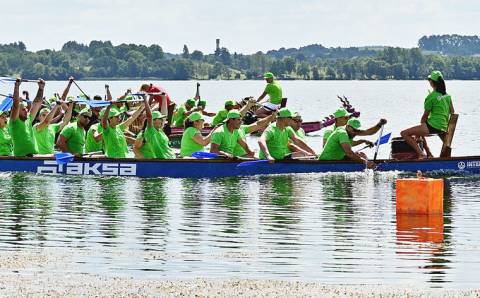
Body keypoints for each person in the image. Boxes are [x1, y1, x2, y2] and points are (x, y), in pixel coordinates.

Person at [400, 70, 454, 159]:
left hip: (433, 126)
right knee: (420, 131)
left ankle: (421, 153)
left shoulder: (431, 97)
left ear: (432, 83)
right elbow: (452, 112)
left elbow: (424, 116)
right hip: (444, 127)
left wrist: (422, 126)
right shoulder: (447, 96)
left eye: (429, 80)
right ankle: (429, 154)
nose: (429, 81)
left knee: (404, 133)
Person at [9, 78, 44, 157]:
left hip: (34, 156)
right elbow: (15, 105)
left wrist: (41, 88)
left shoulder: (28, 118)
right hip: (21, 158)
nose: (26, 110)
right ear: (17, 111)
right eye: (23, 109)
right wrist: (17, 86)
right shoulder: (14, 121)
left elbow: (37, 103)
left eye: (26, 109)